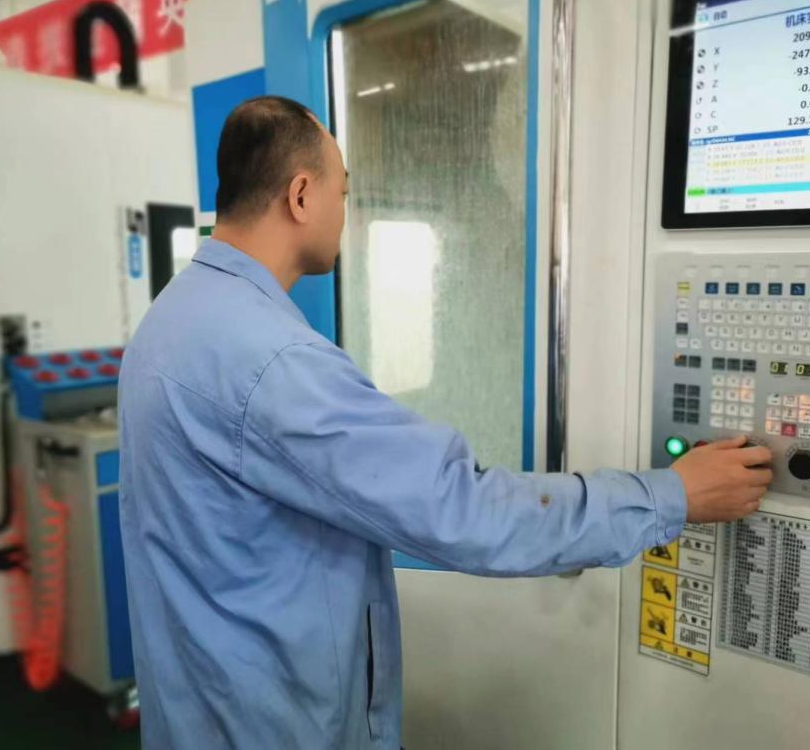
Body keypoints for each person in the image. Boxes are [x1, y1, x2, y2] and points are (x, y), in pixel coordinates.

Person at [118, 96, 773, 749]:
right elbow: (461, 508)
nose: (346, 213)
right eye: (343, 192)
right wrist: (670, 495)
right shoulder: (272, 362)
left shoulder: (172, 319)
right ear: (301, 195)